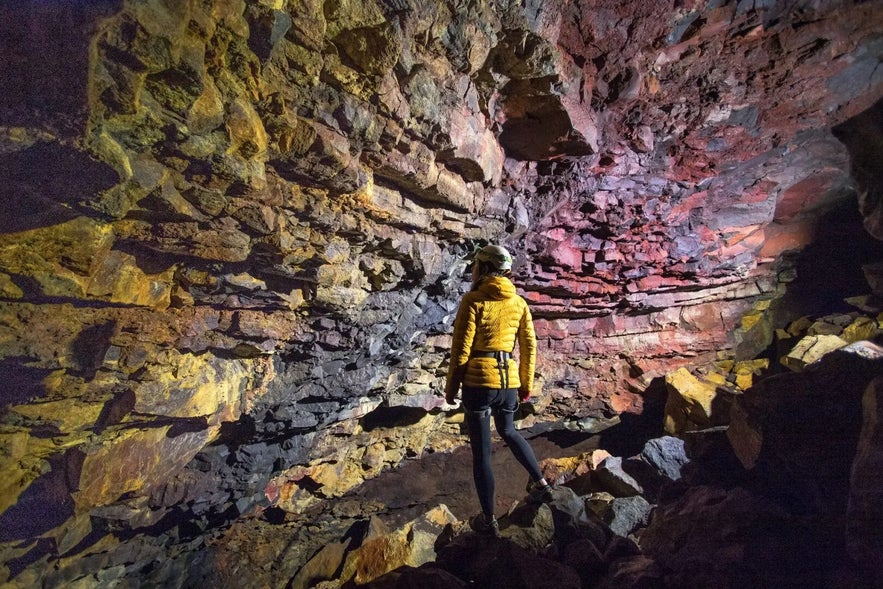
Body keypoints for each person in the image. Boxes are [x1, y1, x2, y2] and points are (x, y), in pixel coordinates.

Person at [444, 244, 553, 536]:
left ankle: (489, 520)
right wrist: (526, 385)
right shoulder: (518, 303)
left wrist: (452, 385)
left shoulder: (474, 299)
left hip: (479, 382)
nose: (473, 270)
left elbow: (461, 348)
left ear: (483, 267)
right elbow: (529, 346)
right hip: (508, 383)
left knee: (482, 453)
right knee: (510, 431)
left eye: (476, 265)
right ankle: (542, 485)